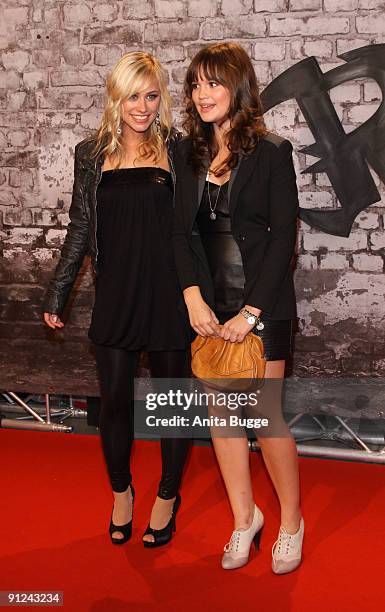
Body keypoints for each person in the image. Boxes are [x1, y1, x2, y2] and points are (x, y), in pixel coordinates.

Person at [43, 51, 191, 548]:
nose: (143, 107)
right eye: (133, 95)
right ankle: (122, 491)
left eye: (152, 96)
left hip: (170, 294)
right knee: (114, 405)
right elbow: (81, 227)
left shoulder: (177, 148)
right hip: (115, 293)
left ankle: (168, 497)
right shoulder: (91, 152)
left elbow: (194, 227)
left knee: (173, 404)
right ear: (116, 97)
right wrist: (59, 290)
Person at [173, 42, 304, 574]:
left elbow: (282, 242)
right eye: (196, 84)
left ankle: (291, 523)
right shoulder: (186, 154)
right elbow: (178, 234)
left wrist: (251, 312)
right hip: (208, 307)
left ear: (238, 87)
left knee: (265, 417)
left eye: (214, 83)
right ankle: (244, 519)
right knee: (222, 418)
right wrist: (192, 298)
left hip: (262, 305)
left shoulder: (272, 152)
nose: (203, 94)